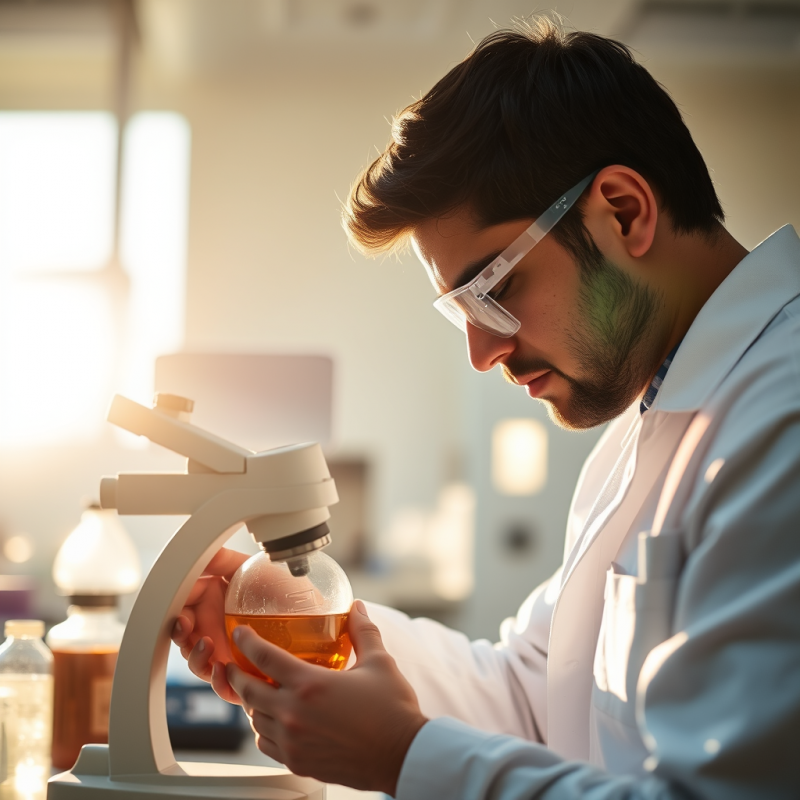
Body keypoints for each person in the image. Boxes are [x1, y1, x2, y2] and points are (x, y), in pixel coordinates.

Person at [171, 18, 800, 799]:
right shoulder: (649, 426)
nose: (483, 351)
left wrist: (404, 758)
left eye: (495, 291)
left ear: (625, 212)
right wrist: (307, 625)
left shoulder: (784, 415)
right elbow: (533, 702)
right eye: (461, 311)